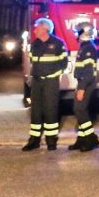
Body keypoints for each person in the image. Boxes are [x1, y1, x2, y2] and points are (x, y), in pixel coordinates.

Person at [22, 17, 67, 151]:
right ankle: (34, 140)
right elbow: (32, 62)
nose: (34, 30)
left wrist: (53, 75)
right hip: (37, 81)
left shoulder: (58, 44)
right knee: (35, 111)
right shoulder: (35, 44)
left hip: (50, 82)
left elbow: (63, 64)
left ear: (45, 29)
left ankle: (51, 140)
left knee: (50, 110)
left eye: (37, 27)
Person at [68, 20, 99, 152]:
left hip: (86, 84)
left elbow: (88, 72)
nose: (76, 34)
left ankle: (91, 138)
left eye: (77, 32)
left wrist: (81, 88)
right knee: (82, 110)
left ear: (83, 33)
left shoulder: (88, 48)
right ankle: (81, 140)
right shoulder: (85, 47)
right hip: (83, 83)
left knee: (79, 110)